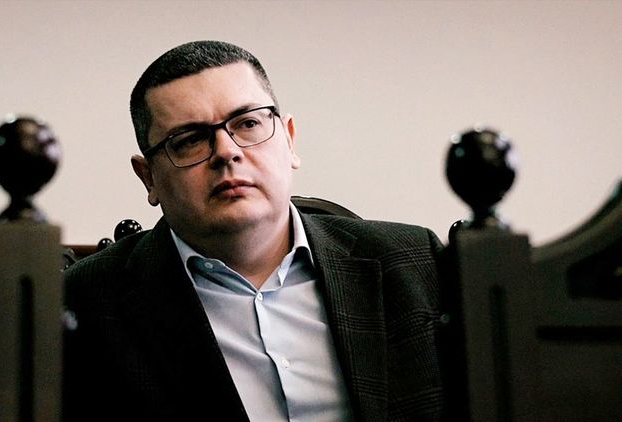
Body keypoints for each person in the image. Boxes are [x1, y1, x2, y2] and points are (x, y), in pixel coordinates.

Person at [63, 40, 445, 421]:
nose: (226, 152)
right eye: (190, 139)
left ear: (289, 139)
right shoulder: (86, 304)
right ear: (149, 178)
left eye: (247, 123)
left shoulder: (415, 262)